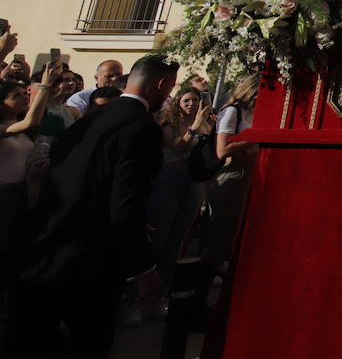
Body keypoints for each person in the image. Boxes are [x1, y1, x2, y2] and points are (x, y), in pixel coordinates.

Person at [7, 53, 178, 358]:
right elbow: (124, 203)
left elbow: (76, 178)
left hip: (44, 252)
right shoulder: (142, 129)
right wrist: (144, 267)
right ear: (163, 84)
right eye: (170, 89)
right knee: (89, 345)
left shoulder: (88, 119)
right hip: (91, 264)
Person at [148, 87, 214, 308]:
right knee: (160, 235)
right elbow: (178, 146)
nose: (191, 104)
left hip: (193, 180)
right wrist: (195, 126)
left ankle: (163, 294)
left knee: (177, 239)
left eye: (195, 100)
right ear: (178, 101)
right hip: (170, 178)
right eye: (187, 100)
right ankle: (139, 297)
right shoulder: (169, 121)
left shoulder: (204, 122)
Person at [203, 72, 260, 275]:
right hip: (235, 173)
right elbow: (222, 150)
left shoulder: (255, 112)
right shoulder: (233, 111)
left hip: (252, 171)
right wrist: (257, 139)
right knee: (222, 235)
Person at [1, 64, 55, 264]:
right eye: (16, 96)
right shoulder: (4, 129)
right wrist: (45, 86)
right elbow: (30, 121)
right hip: (4, 197)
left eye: (25, 93)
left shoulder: (24, 131)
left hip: (23, 195)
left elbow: (35, 118)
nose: (24, 98)